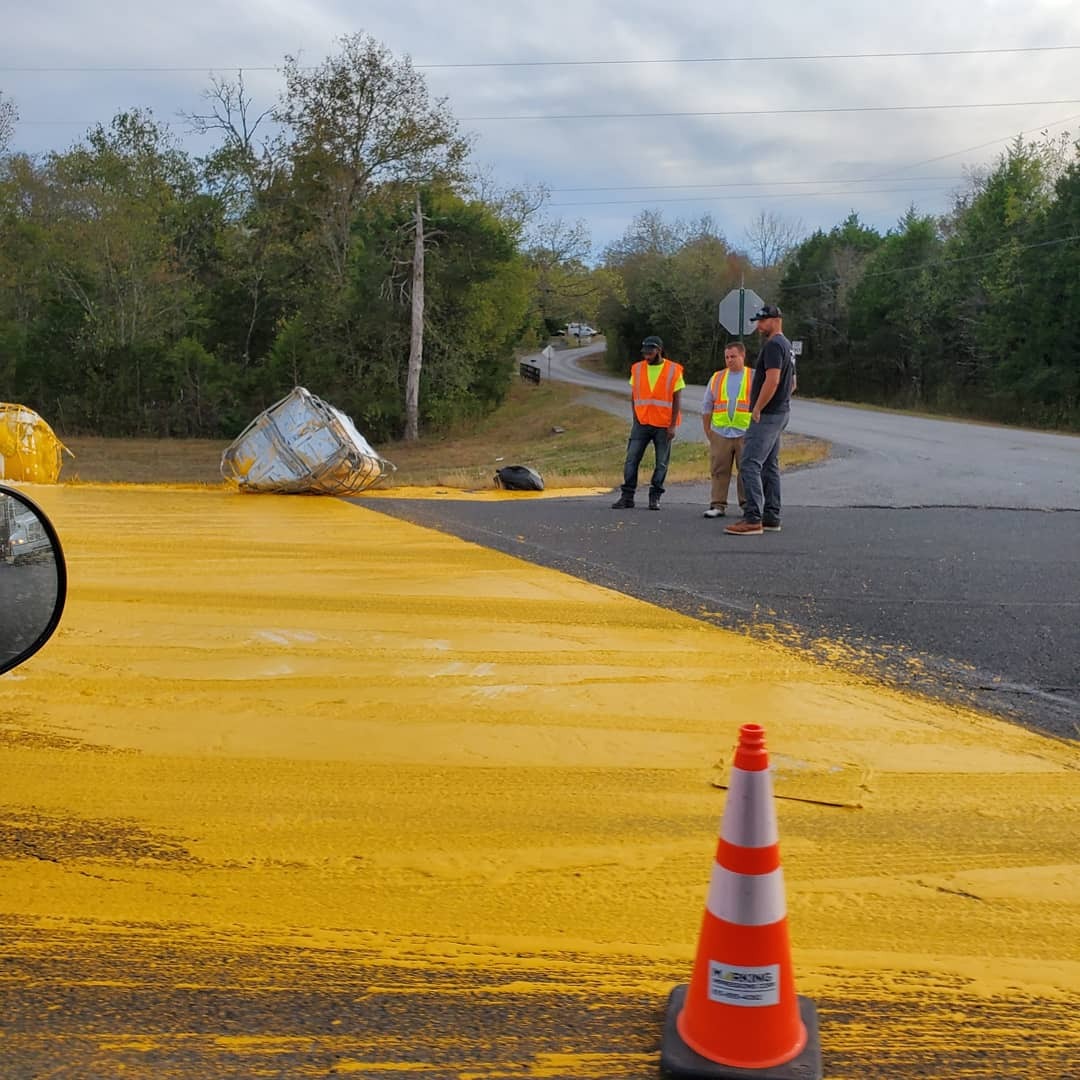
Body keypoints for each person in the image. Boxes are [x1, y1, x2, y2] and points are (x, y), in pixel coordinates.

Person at [724, 304, 794, 536]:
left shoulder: (774, 345)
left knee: (750, 463)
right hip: (781, 412)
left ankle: (753, 517)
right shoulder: (787, 346)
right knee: (769, 465)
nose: (758, 326)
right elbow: (792, 383)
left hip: (768, 414)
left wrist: (758, 408)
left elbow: (772, 380)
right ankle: (771, 515)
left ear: (775, 320)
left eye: (762, 321)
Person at [611, 335, 684, 511]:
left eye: (650, 352)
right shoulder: (637, 369)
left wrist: (672, 425)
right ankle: (627, 496)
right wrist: (635, 417)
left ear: (658, 350)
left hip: (663, 424)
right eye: (645, 352)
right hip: (642, 423)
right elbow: (634, 395)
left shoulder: (673, 370)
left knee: (661, 463)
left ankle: (655, 496)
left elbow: (677, 400)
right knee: (631, 460)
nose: (647, 356)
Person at [701, 341, 750, 518]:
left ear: (742, 356)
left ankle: (747, 505)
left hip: (745, 432)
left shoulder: (752, 376)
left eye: (733, 356)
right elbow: (707, 405)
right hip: (721, 432)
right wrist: (708, 431)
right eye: (727, 357)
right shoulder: (717, 377)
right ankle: (717, 505)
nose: (729, 360)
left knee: (746, 471)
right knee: (719, 469)